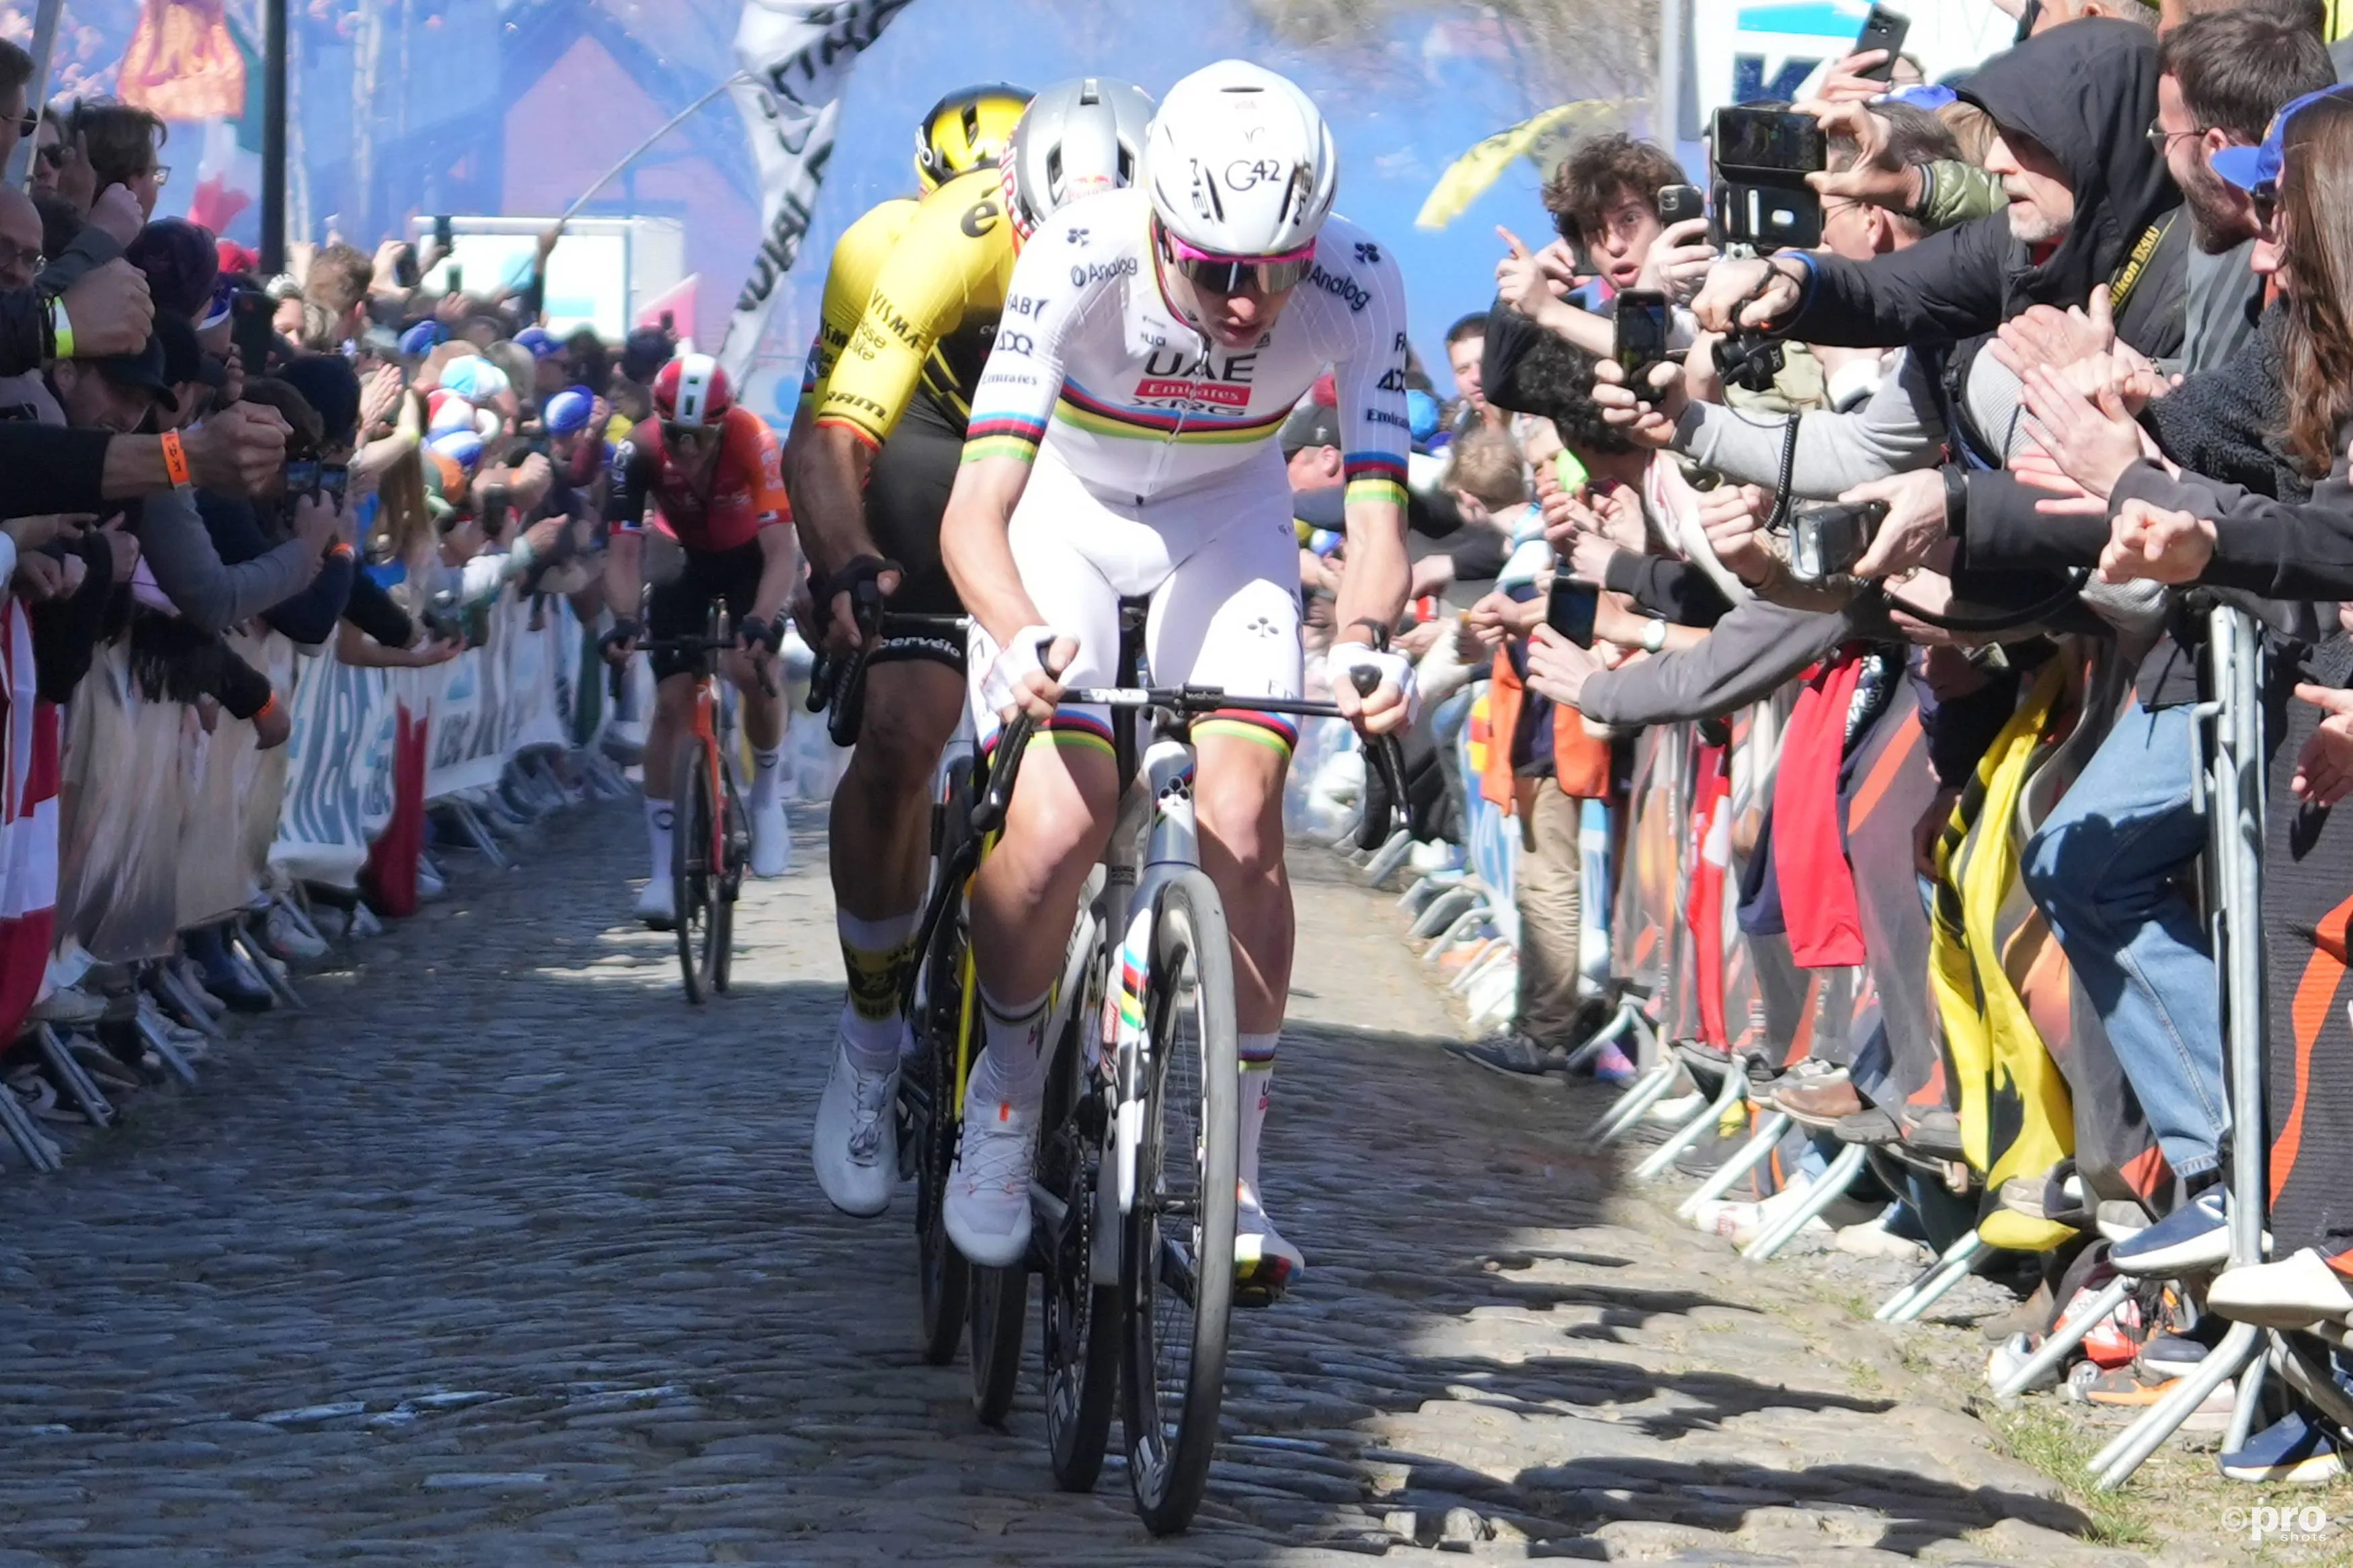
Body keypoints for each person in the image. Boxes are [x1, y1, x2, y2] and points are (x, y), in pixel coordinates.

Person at [935, 60, 1414, 1295]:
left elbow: (1375, 520)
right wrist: (1022, 630)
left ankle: (1241, 1176)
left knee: (1245, 816)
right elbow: (975, 513)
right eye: (1216, 270)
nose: (1252, 304)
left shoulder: (1358, 279)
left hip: (1228, 513)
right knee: (1059, 819)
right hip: (1067, 515)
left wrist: (1364, 640)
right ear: (1160, 227)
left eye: (1280, 266)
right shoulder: (1078, 257)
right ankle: (1003, 1089)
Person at [787, 79, 1154, 1219]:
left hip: (1077, 448)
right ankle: (872, 1027)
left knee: (1118, 753)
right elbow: (832, 437)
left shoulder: (1153, 242)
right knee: (902, 729)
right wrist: (846, 564)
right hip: (938, 439)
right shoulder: (913, 244)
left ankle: (1079, 1006)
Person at [599, 354, 797, 925]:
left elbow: (781, 552)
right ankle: (662, 873)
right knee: (670, 707)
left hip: (748, 562)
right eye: (677, 436)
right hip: (680, 557)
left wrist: (762, 617)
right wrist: (624, 618)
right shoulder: (635, 450)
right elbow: (624, 553)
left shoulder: (752, 439)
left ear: (723, 422)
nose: (687, 451)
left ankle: (765, 793)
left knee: (747, 667)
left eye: (701, 438)